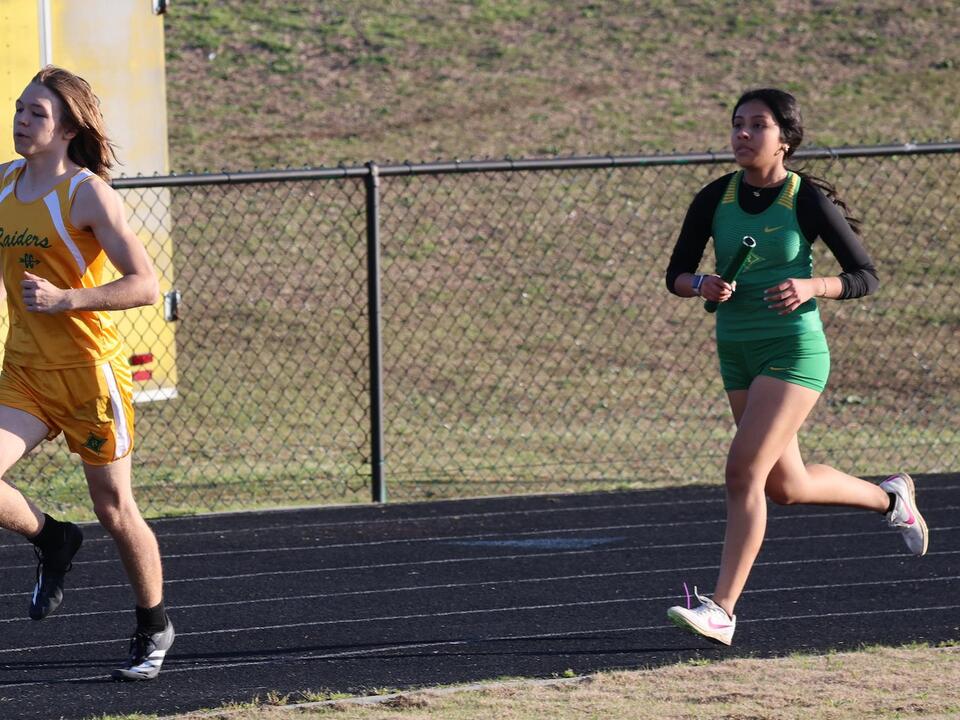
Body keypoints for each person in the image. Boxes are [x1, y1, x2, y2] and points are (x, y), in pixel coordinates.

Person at [662, 88, 928, 646]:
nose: (742, 134)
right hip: (736, 348)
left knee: (743, 472)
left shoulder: (804, 200)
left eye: (756, 125)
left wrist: (814, 285)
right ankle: (891, 500)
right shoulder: (714, 197)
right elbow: (677, 275)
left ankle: (722, 610)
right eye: (737, 124)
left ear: (784, 139)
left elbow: (865, 275)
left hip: (793, 350)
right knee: (788, 485)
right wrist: (702, 284)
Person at [0, 66, 174, 679]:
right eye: (19, 109)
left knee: (114, 507)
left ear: (69, 127)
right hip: (24, 371)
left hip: (89, 374)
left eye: (36, 113)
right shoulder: (2, 184)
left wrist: (67, 300)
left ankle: (153, 624)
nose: (22, 120)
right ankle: (50, 538)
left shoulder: (87, 193)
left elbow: (146, 286)